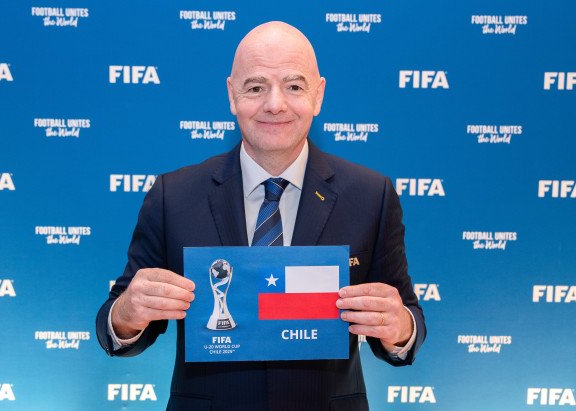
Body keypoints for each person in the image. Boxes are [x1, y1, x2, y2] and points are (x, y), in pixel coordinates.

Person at [96, 21, 425, 411]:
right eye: (255, 88)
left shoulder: (371, 195)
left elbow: (408, 322)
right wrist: (127, 314)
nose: (275, 104)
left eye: (294, 86)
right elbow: (115, 324)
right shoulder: (174, 195)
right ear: (231, 95)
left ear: (318, 95)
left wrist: (399, 326)